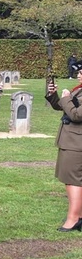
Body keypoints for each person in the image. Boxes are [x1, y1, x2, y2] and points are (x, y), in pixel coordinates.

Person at [46, 61, 82, 232]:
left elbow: (76, 115)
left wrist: (67, 97)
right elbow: (64, 108)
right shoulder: (79, 88)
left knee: (72, 179)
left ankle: (73, 219)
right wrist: (55, 96)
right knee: (72, 179)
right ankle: (78, 215)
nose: (79, 74)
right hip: (71, 141)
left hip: (77, 143)